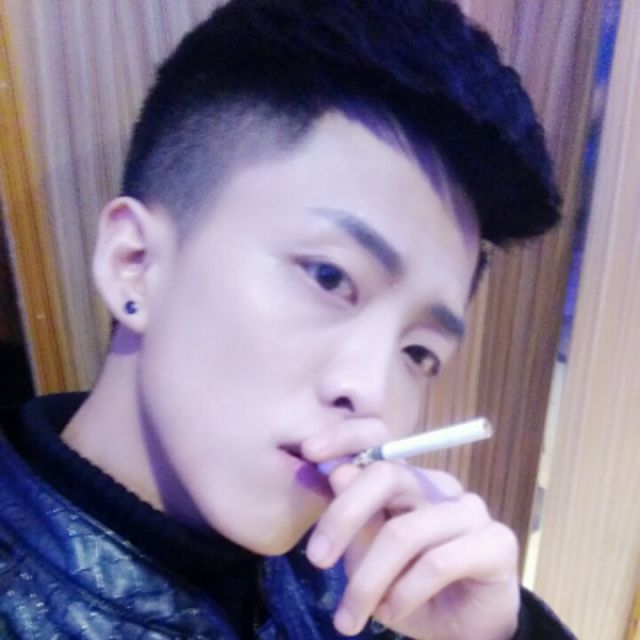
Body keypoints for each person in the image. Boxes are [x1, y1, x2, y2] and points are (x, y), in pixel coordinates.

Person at [0, 1, 576, 638]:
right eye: (328, 276)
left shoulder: (371, 582)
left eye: (418, 353)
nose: (369, 394)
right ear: (134, 263)